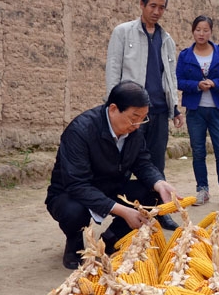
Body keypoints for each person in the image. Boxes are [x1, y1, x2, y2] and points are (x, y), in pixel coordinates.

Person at [45, 81, 179, 269]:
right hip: (73, 193)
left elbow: (142, 162)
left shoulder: (134, 130)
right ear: (114, 109)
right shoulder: (80, 130)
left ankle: (111, 240)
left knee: (153, 194)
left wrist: (159, 183)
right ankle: (74, 243)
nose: (138, 125)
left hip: (113, 186)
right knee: (73, 211)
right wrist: (123, 211)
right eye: (134, 117)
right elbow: (77, 184)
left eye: (143, 118)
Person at [105, 0, 184, 230]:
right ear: (142, 4)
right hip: (130, 113)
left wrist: (174, 106)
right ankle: (124, 213)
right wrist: (113, 107)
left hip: (157, 110)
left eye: (162, 7)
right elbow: (113, 69)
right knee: (125, 164)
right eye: (152, 6)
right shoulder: (123, 32)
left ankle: (160, 212)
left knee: (156, 164)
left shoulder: (166, 39)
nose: (157, 11)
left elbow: (170, 75)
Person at [176, 15, 219, 207]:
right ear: (193, 31)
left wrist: (214, 83)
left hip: (217, 109)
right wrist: (196, 85)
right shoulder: (185, 55)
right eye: (198, 30)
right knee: (198, 151)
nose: (201, 33)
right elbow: (178, 80)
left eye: (205, 30)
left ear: (211, 32)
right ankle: (202, 190)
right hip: (195, 110)